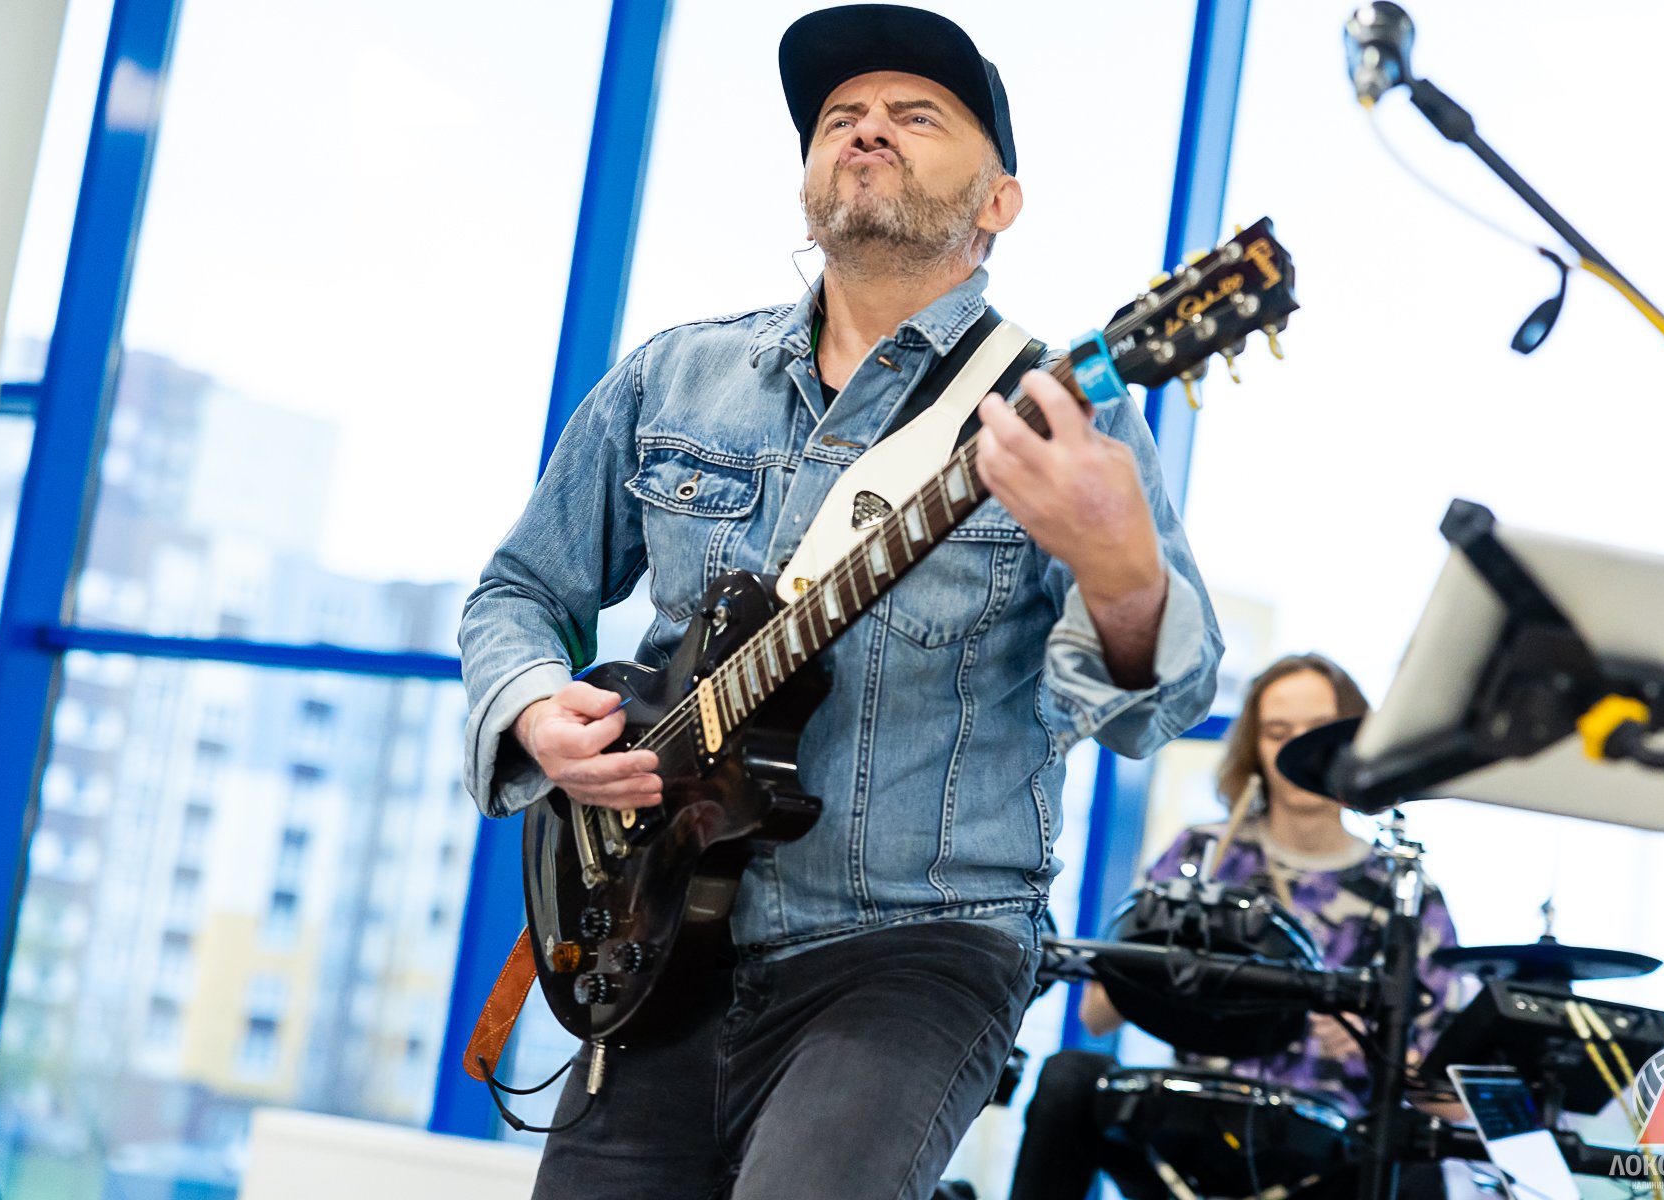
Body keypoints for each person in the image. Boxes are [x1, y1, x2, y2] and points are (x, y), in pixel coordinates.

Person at [455, 6, 1224, 1199]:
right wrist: (535, 709)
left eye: (916, 116)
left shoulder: (1065, 414)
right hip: (654, 932)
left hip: (916, 950)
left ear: (1000, 203)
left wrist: (1122, 569)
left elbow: (1151, 711)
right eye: (838, 118)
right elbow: (519, 592)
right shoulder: (675, 376)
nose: (866, 129)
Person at [1009, 653, 1466, 1200]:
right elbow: (1096, 1013)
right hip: (1190, 1120)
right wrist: (1161, 971)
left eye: (1317, 730)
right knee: (1069, 1076)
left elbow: (1450, 1103)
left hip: (1328, 1153)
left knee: (1418, 1160)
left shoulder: (1406, 891)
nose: (1298, 749)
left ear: (1356, 743)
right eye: (1278, 732)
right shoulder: (1202, 852)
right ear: (1254, 747)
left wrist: (1370, 1044)